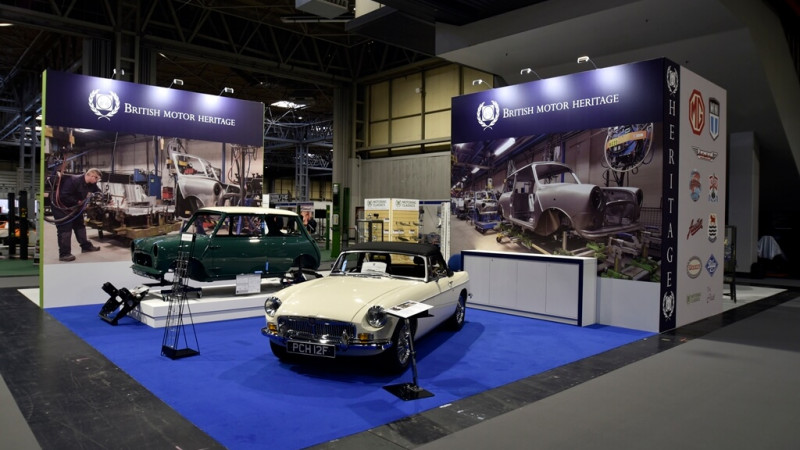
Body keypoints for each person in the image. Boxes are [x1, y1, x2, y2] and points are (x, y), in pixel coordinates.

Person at [52, 168, 103, 262]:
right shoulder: (73, 180)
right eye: (97, 178)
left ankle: (85, 247)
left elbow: (97, 191)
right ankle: (64, 254)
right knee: (65, 229)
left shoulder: (92, 184)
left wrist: (104, 197)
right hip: (61, 206)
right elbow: (64, 195)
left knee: (80, 226)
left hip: (75, 207)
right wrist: (78, 202)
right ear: (92, 176)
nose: (97, 181)